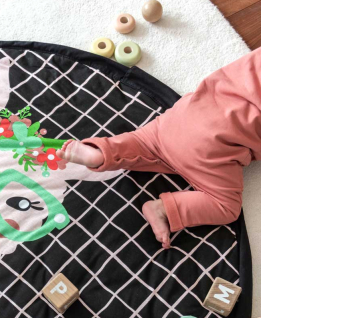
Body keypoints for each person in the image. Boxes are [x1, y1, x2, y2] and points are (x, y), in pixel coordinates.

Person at [57, 48, 261, 248]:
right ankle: (162, 209)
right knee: (226, 207)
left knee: (143, 142)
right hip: (212, 145)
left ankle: (102, 153)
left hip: (185, 112)